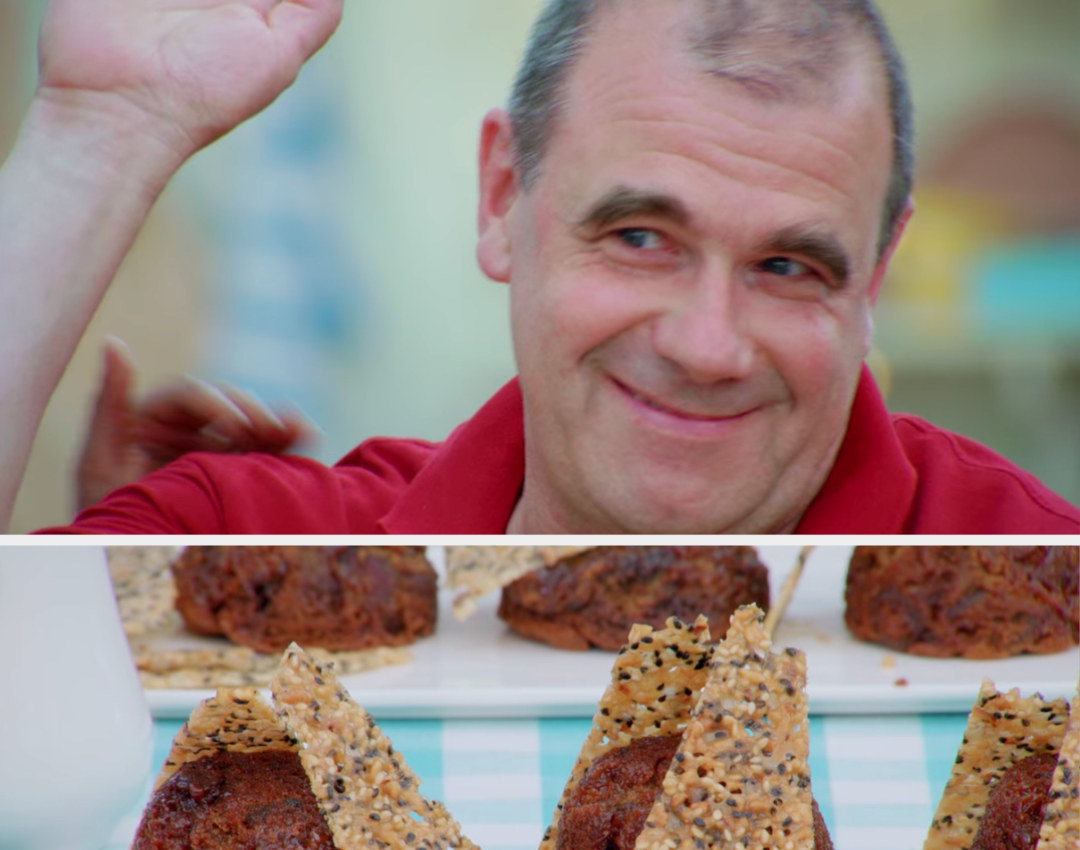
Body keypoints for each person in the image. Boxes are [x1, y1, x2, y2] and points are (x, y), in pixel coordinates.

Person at [5, 0, 1079, 534]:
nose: (708, 345)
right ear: (502, 201)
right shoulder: (277, 552)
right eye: (640, 237)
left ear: (876, 281)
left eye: (790, 266)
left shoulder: (1022, 567)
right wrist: (100, 133)